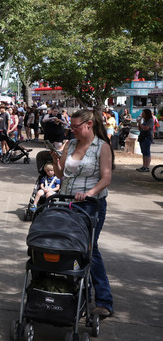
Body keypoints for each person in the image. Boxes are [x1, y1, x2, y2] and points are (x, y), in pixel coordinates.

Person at [50, 109, 114, 319]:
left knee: (89, 249)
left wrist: (89, 194)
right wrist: (56, 160)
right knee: (69, 248)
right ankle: (78, 296)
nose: (72, 130)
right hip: (67, 203)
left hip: (90, 205)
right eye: (72, 126)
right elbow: (62, 175)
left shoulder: (102, 147)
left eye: (76, 126)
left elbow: (106, 178)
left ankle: (104, 301)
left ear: (89, 124)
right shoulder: (71, 143)